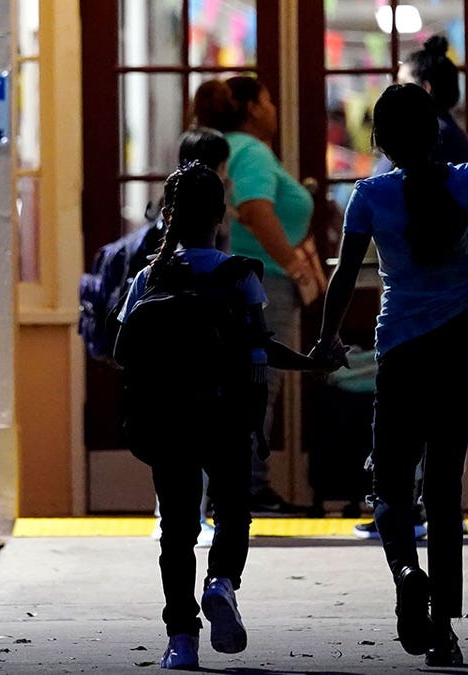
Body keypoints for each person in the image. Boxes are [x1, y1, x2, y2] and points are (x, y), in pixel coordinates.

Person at [310, 83, 468, 667]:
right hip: (460, 344)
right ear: (435, 132)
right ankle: (443, 629)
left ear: (381, 141)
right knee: (444, 488)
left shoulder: (369, 196)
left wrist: (328, 338)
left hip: (402, 351)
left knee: (390, 484)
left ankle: (406, 571)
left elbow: (342, 280)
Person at [116, 161, 320, 670]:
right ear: (221, 216)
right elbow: (261, 347)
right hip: (227, 418)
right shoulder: (240, 276)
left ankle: (180, 640)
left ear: (168, 217)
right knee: (233, 514)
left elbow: (124, 351)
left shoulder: (148, 277)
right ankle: (222, 582)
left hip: (168, 421)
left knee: (178, 531)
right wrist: (311, 362)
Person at [357, 34, 468, 542]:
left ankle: (409, 523)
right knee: (436, 423)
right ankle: (421, 517)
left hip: (420, 311)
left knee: (409, 424)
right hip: (445, 308)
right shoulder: (455, 148)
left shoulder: (438, 146)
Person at [192, 75, 323, 514]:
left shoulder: (235, 149)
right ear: (250, 108)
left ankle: (240, 484)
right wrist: (292, 263)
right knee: (256, 382)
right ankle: (247, 487)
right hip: (260, 283)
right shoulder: (251, 151)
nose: (273, 107)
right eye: (267, 98)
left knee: (244, 384)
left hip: (247, 279)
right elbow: (255, 209)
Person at [145, 126, 235, 549]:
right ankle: (199, 521)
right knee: (206, 455)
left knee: (174, 459)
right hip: (212, 379)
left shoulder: (169, 219)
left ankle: (173, 517)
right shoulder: (218, 237)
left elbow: (128, 341)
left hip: (165, 382)